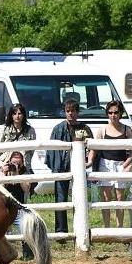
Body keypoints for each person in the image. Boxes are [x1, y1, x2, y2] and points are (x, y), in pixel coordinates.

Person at [45, 99, 93, 236]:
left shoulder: (85, 128)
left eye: (73, 111)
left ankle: (81, 231)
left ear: (78, 112)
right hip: (61, 168)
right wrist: (55, 167)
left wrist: (89, 161)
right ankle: (61, 232)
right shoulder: (58, 129)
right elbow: (51, 150)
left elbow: (92, 147)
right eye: (68, 111)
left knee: (80, 199)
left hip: (79, 169)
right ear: (65, 112)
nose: (70, 113)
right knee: (60, 200)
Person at [92, 100, 132, 228]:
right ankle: (107, 228)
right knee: (105, 198)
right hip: (105, 164)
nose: (113, 115)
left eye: (116, 112)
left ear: (120, 113)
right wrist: (89, 162)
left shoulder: (127, 129)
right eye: (110, 112)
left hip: (121, 163)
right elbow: (94, 149)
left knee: (120, 198)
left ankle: (120, 227)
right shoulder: (102, 130)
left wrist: (124, 165)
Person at [0, 150, 32, 259]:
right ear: (9, 160)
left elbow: (26, 189)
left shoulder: (25, 171)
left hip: (18, 206)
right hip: (3, 207)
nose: (15, 164)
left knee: (25, 228)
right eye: (13, 162)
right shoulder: (2, 169)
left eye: (18, 161)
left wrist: (16, 174)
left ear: (22, 162)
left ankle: (28, 255)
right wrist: (3, 172)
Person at [0, 102, 36, 172]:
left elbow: (32, 150)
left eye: (19, 114)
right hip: (6, 163)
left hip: (24, 165)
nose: (17, 116)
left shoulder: (30, 130)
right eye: (14, 114)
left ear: (23, 115)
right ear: (11, 115)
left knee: (30, 182)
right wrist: (2, 162)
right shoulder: (4, 129)